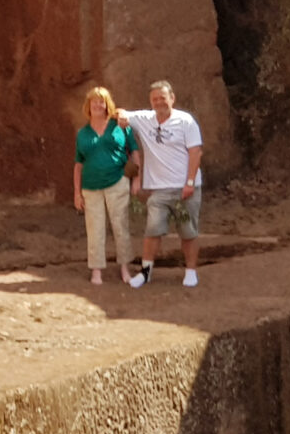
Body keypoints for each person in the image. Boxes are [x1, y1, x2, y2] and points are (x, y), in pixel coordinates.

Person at [130, 79, 204, 289]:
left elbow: (195, 152)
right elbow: (120, 114)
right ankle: (145, 272)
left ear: (172, 98)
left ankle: (190, 271)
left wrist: (189, 182)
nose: (159, 102)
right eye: (154, 99)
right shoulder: (144, 119)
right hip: (159, 191)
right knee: (152, 229)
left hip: (185, 189)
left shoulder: (186, 121)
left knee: (188, 231)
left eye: (162, 98)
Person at [72, 87, 139, 288]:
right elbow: (78, 164)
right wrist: (77, 192)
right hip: (91, 187)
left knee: (121, 225)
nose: (98, 105)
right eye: (94, 102)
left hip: (117, 182)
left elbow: (134, 152)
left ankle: (125, 268)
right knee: (95, 229)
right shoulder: (83, 134)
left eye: (102, 101)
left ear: (107, 104)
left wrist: (138, 177)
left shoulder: (120, 125)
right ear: (88, 106)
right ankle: (96, 270)